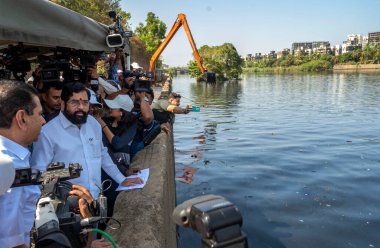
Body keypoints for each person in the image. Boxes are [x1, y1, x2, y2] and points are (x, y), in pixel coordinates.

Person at [30, 82, 143, 200]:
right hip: (65, 206)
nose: (81, 107)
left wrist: (121, 179)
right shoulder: (47, 133)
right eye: (74, 102)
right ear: (63, 104)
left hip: (96, 199)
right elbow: (38, 174)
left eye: (85, 102)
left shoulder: (94, 124)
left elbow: (103, 155)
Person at [0, 79, 46, 247]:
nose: (43, 121)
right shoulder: (12, 167)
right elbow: (12, 243)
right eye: (39, 114)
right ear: (21, 118)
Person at [94, 94, 139, 231]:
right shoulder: (106, 120)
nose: (109, 109)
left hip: (117, 165)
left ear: (121, 112)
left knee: (111, 199)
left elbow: (117, 144)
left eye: (113, 107)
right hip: (107, 166)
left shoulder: (131, 125)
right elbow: (105, 150)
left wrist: (102, 125)